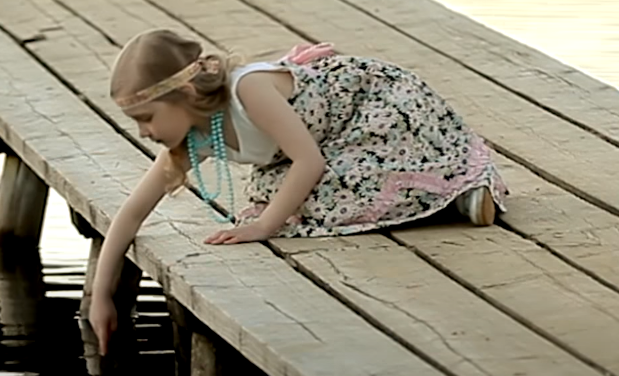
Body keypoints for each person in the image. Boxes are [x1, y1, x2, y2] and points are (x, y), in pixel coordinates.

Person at [89, 29, 508, 353]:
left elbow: (310, 162)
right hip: (314, 146)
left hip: (372, 113)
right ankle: (445, 200)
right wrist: (102, 295)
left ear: (184, 93)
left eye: (146, 118)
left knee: (316, 195)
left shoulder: (248, 91)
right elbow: (133, 212)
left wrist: (265, 226)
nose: (143, 133)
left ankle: (464, 192)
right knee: (290, 197)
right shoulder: (190, 138)